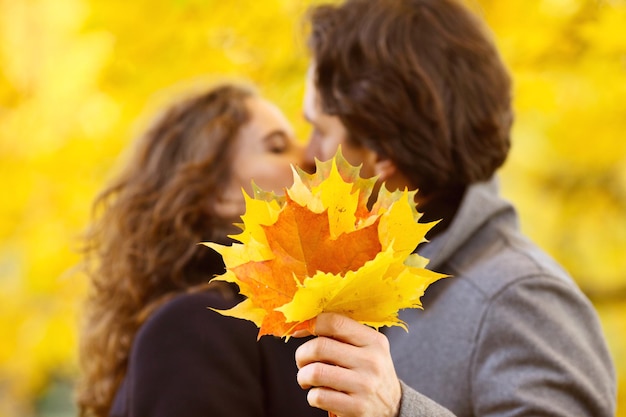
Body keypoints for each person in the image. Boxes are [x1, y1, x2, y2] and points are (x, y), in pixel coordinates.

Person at [294, 0, 617, 416]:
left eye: (319, 130)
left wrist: (397, 409)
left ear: (382, 154)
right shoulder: (371, 278)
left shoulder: (519, 299)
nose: (306, 155)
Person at [76, 83, 327, 417]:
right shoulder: (194, 330)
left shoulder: (290, 324)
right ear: (215, 193)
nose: (309, 157)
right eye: (277, 147)